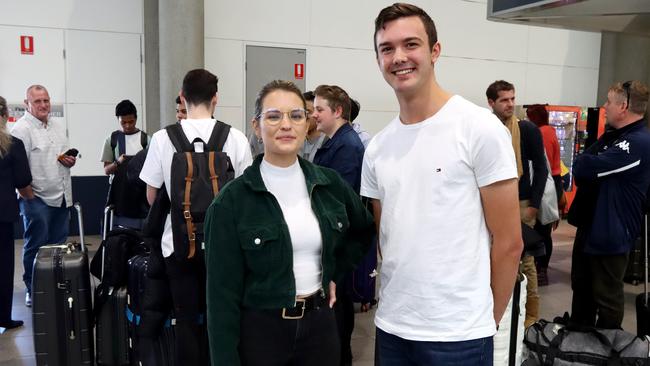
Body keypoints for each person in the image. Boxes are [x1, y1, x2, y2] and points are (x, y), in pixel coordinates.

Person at [362, 4, 522, 365]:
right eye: (387, 48)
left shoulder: (478, 129)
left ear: (435, 51)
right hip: (392, 328)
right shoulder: (377, 148)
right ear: (378, 59)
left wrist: (486, 321)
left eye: (411, 44)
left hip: (459, 336)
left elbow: (509, 243)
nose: (399, 57)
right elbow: (387, 239)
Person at [204, 79, 375, 366]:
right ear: (257, 126)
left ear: (307, 123)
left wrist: (334, 272)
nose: (286, 124)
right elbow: (221, 300)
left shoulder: (329, 184)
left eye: (296, 115)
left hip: (320, 325)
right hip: (262, 331)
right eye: (274, 116)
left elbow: (363, 230)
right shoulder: (231, 203)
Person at [568, 80, 650, 329]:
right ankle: (580, 345)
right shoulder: (613, 136)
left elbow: (588, 167)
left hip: (612, 232)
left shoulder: (638, 142)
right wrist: (588, 165)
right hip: (591, 228)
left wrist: (589, 164)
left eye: (608, 102)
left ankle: (608, 348)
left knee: (607, 298)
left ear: (623, 106)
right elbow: (580, 166)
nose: (604, 107)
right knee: (581, 290)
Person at [487, 80, 548, 327]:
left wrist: (533, 203)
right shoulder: (485, 127)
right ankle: (502, 308)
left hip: (522, 203)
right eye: (504, 100)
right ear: (491, 102)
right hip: (493, 203)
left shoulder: (527, 130)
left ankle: (530, 316)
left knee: (525, 260)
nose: (510, 104)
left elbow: (542, 168)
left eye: (512, 98)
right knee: (496, 257)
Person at [312, 84, 366, 365]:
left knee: (339, 304)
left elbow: (339, 198)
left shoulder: (346, 146)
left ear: (338, 111)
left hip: (337, 237)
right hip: (332, 235)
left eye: (319, 109)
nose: (314, 115)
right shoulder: (334, 141)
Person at [11, 85, 76, 307]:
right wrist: (29, 198)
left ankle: (53, 285)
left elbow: (61, 158)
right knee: (36, 246)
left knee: (57, 247)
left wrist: (69, 160)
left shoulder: (57, 126)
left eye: (46, 100)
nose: (43, 105)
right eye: (37, 101)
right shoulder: (21, 130)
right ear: (26, 104)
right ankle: (32, 287)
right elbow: (17, 167)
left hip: (61, 197)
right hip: (36, 199)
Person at [0, 96, 32, 329]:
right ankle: (3, 317)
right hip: (3, 215)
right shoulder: (12, 144)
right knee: (3, 267)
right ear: (5, 115)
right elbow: (23, 181)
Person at [527, 104, 564, 286]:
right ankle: (542, 268)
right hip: (554, 183)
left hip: (546, 185)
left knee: (541, 230)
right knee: (545, 229)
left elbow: (542, 168)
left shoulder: (541, 133)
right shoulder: (551, 131)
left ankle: (541, 269)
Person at [100, 99, 149, 229]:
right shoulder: (112, 140)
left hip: (141, 195)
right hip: (119, 195)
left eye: (131, 122)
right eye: (123, 122)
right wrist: (117, 162)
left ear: (136, 119)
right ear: (118, 120)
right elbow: (106, 170)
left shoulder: (146, 140)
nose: (127, 125)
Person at [300, 91, 325, 162]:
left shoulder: (327, 143)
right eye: (301, 112)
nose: (303, 116)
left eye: (308, 112)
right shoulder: (296, 141)